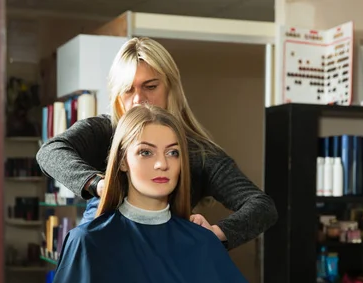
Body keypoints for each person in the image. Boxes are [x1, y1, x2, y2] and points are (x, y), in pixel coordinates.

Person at [29, 105, 296, 283]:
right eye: (146, 153)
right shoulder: (89, 243)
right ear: (122, 161)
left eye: (173, 153)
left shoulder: (201, 243)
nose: (162, 164)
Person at [36, 37, 277, 250]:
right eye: (128, 90)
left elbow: (261, 206)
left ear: (171, 88)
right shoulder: (103, 132)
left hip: (166, 268)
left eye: (150, 86)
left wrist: (216, 235)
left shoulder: (200, 154)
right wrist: (100, 185)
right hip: (103, 260)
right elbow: (50, 152)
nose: (139, 99)